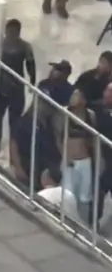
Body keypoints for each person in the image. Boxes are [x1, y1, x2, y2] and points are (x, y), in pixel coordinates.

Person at [0, 19, 36, 154]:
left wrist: (32, 81)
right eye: (9, 31)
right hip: (0, 87)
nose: (11, 34)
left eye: (14, 32)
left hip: (16, 87)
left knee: (15, 121)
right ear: (5, 31)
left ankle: (14, 149)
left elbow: (31, 64)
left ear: (19, 33)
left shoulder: (25, 47)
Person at [53, 89, 96, 222]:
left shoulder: (90, 115)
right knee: (68, 193)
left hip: (85, 160)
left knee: (85, 196)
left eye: (77, 95)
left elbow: (93, 138)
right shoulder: (65, 113)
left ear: (83, 100)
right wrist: (64, 156)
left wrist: (97, 158)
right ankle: (67, 221)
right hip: (69, 160)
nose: (73, 97)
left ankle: (83, 223)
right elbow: (58, 137)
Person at [10, 99, 61, 191]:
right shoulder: (24, 122)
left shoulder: (49, 124)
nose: (46, 107)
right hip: (27, 168)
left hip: (44, 172)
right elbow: (14, 144)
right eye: (44, 104)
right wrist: (18, 167)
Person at [92, 83, 112, 225]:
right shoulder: (96, 108)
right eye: (106, 90)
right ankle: (94, 221)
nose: (106, 94)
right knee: (98, 190)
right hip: (101, 155)